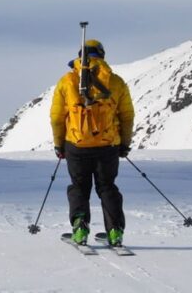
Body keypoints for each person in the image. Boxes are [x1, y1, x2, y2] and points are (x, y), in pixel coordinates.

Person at [50, 39, 134, 247]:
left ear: (80, 57)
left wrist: (59, 144)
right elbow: (127, 116)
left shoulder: (67, 81)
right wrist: (124, 143)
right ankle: (115, 232)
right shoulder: (115, 82)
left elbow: (57, 117)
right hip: (108, 146)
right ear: (102, 55)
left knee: (79, 187)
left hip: (76, 145)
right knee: (107, 187)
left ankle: (80, 229)